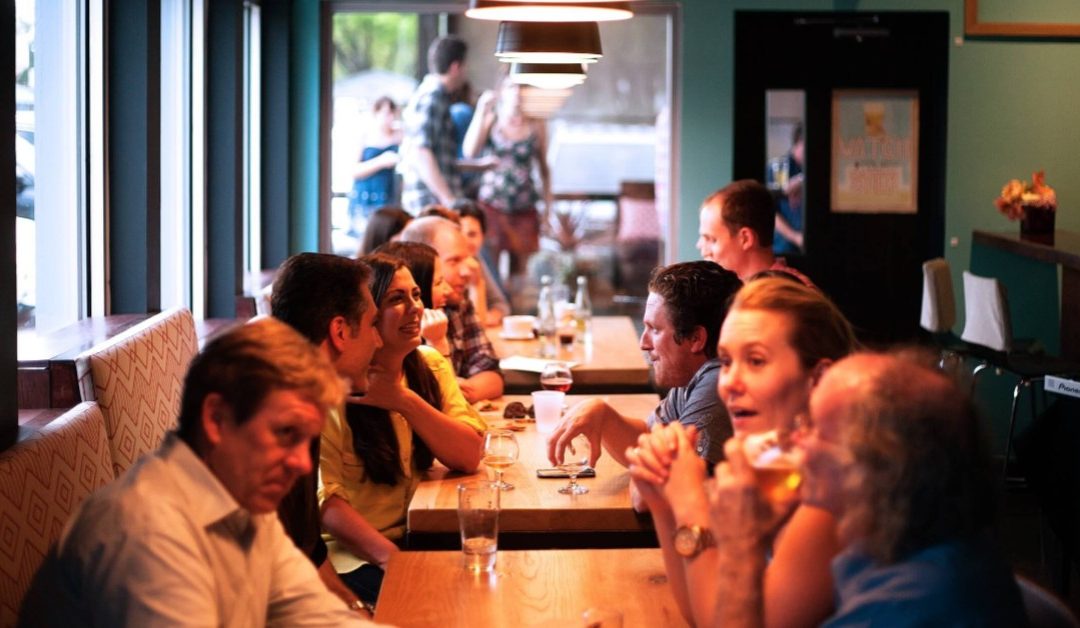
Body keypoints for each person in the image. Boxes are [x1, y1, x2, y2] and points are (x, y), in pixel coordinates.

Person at [20, 318, 374, 626]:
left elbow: (315, 614)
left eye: (306, 441)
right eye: (285, 434)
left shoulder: (242, 504)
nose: (302, 463)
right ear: (216, 419)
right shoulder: (146, 531)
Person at [709, 351, 1027, 626]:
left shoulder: (911, 605)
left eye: (815, 428)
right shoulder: (890, 543)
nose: (796, 440)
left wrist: (740, 547)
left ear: (873, 466)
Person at [628, 277, 857, 628]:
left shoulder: (829, 496)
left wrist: (690, 504)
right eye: (726, 361)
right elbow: (704, 613)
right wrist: (661, 502)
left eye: (756, 361)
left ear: (818, 378)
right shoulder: (772, 461)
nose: (729, 383)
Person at [318, 253, 485, 603]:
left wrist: (402, 399)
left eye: (416, 295)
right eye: (397, 299)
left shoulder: (429, 364)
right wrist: (391, 558)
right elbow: (327, 503)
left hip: (421, 536)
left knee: (485, 584)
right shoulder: (337, 386)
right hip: (358, 555)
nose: (414, 308)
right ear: (368, 316)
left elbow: (469, 455)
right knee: (442, 601)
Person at [547, 261, 741, 470]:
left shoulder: (717, 381)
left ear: (695, 338)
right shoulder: (691, 374)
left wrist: (645, 465)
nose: (643, 343)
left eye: (655, 329)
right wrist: (602, 414)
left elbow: (663, 485)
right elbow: (647, 438)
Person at [269, 253, 382, 611]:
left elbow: (309, 553)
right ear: (340, 332)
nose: (378, 342)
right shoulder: (273, 424)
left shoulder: (306, 399)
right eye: (372, 325)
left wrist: (360, 613)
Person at [399, 216, 504, 403]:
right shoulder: (398, 318)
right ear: (422, 262)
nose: (466, 272)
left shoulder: (458, 303)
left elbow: (492, 374)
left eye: (467, 259)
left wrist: (454, 393)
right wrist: (451, 390)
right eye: (454, 261)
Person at [463, 78, 552, 278]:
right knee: (489, 266)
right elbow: (469, 151)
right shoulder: (492, 118)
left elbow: (544, 167)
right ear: (502, 90)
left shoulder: (537, 122)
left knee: (521, 271)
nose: (518, 92)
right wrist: (481, 111)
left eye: (523, 86)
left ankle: (518, 308)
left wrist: (547, 208)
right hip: (493, 203)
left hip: (524, 204)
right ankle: (497, 307)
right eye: (512, 86)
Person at [697, 179, 813, 286]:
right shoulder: (731, 289)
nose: (699, 245)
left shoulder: (791, 294)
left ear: (746, 238)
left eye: (711, 239)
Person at [400, 36, 469, 213]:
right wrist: (449, 199)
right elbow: (420, 151)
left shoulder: (433, 96)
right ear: (456, 67)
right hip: (430, 203)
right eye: (465, 66)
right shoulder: (433, 97)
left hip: (432, 201)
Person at [375, 241, 454, 359]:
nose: (448, 290)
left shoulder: (443, 319)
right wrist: (438, 344)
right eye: (438, 283)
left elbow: (486, 364)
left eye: (416, 295)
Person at [348, 96, 402, 234]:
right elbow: (353, 170)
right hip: (366, 198)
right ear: (376, 113)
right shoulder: (365, 136)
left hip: (389, 197)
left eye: (391, 113)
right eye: (385, 113)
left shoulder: (400, 135)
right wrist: (381, 162)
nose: (388, 118)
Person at [456, 200, 510, 327]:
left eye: (472, 234)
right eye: (459, 234)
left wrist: (488, 317)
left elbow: (500, 304)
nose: (466, 241)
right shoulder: (443, 265)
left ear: (483, 237)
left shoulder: (475, 260)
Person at [767, 122, 805, 255]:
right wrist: (795, 237)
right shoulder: (777, 168)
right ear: (798, 142)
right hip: (784, 247)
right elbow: (770, 211)